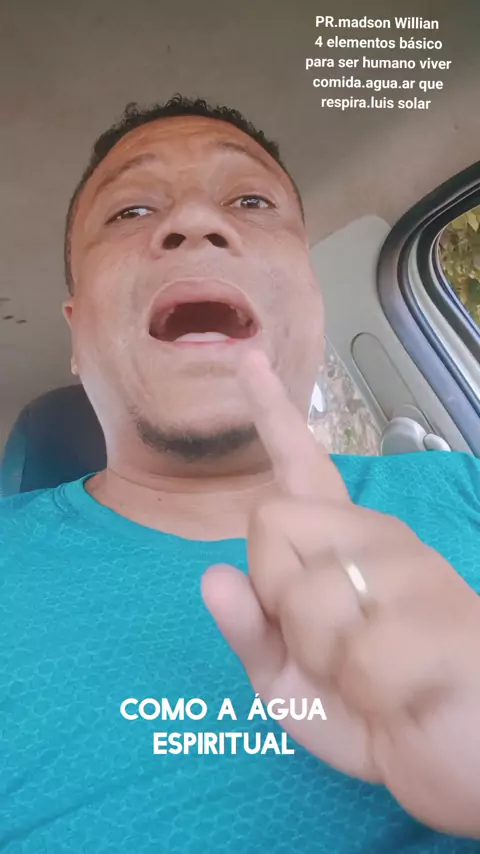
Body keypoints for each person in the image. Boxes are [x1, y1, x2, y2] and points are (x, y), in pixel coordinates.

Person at [1, 94, 480, 854]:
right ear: (76, 332)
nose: (194, 222)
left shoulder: (466, 491)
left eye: (250, 201)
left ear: (312, 299)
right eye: (130, 211)